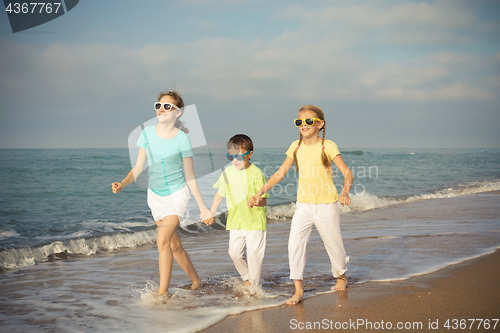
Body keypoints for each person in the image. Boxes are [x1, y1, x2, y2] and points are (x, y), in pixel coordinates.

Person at [248, 105, 353, 305]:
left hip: (326, 205)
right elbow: (280, 172)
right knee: (294, 244)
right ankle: (298, 289)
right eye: (299, 122)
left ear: (320, 124)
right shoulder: (295, 147)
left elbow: (348, 173)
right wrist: (259, 192)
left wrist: (345, 192)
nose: (303, 125)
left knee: (334, 244)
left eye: (308, 121)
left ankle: (341, 275)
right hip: (303, 206)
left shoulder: (328, 146)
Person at [112, 90, 213, 296]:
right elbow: (139, 167)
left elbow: (190, 176)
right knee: (174, 245)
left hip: (176, 195)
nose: (161, 109)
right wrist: (123, 183)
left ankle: (162, 293)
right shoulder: (147, 133)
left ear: (178, 112)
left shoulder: (182, 139)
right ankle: (196, 282)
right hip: (155, 196)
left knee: (162, 241)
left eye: (167, 106)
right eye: (158, 106)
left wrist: (203, 208)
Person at [203, 134, 268, 290]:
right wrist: (211, 212)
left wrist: (257, 201)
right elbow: (220, 193)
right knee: (234, 253)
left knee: (254, 256)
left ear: (249, 154)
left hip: (255, 222)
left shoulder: (256, 173)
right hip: (235, 221)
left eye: (239, 156)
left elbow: (265, 198)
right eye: (230, 157)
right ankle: (247, 276)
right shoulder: (228, 172)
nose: (235, 160)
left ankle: (255, 287)